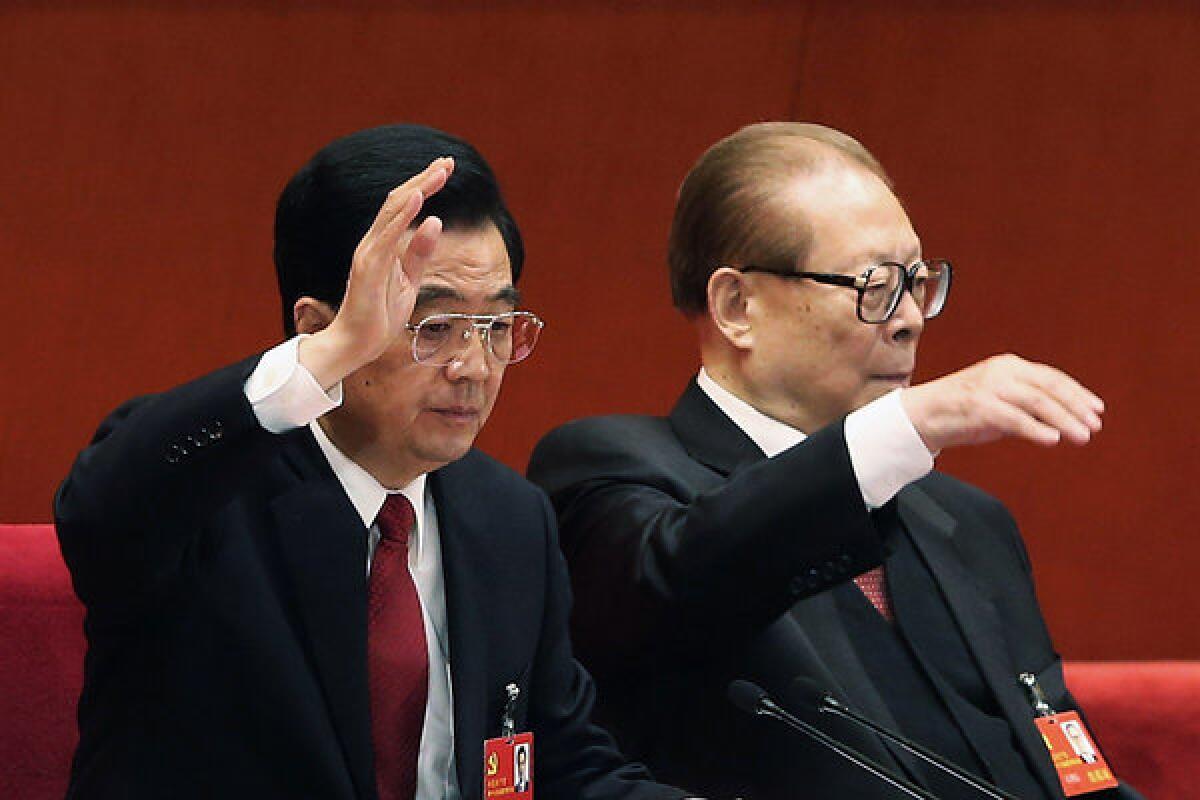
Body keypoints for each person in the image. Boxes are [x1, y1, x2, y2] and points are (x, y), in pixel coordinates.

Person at [55, 125, 690, 800]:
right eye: (432, 327)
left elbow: (563, 764)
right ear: (316, 329)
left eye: (498, 328)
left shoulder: (509, 519)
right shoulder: (209, 496)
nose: (473, 368)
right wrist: (328, 358)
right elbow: (101, 513)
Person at [528, 122, 1141, 799]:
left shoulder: (971, 524)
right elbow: (691, 574)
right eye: (875, 286)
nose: (910, 319)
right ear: (737, 305)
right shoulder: (609, 472)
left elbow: (1070, 768)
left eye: (918, 282)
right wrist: (908, 425)